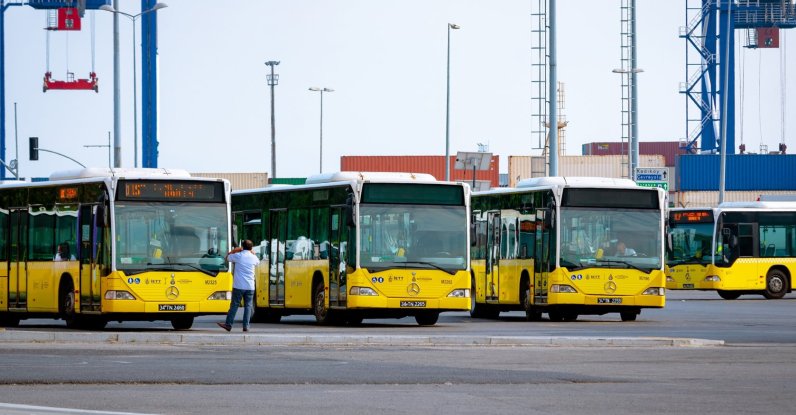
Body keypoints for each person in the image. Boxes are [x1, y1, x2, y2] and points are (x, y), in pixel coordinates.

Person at [217, 239, 259, 332]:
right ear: (251, 248)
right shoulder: (254, 257)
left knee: (234, 305)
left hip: (239, 286)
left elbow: (227, 257)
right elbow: (257, 262)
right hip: (250, 286)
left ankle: (228, 325)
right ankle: (246, 326)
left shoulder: (238, 256)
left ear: (242, 247)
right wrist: (252, 252)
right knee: (248, 306)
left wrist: (235, 250)